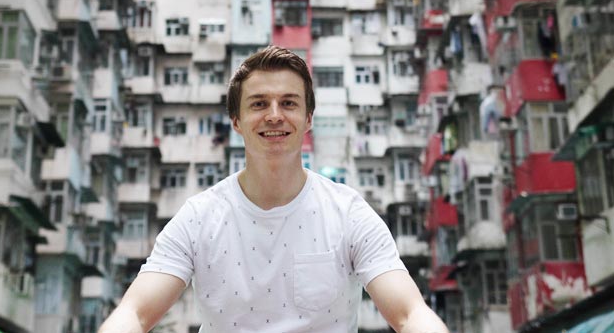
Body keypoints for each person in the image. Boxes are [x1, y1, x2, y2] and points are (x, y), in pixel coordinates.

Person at [99, 46, 449, 333]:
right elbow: (135, 313)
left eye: (289, 103)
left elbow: (410, 314)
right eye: (259, 103)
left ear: (308, 118)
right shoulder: (199, 217)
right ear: (236, 121)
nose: (274, 115)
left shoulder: (348, 213)